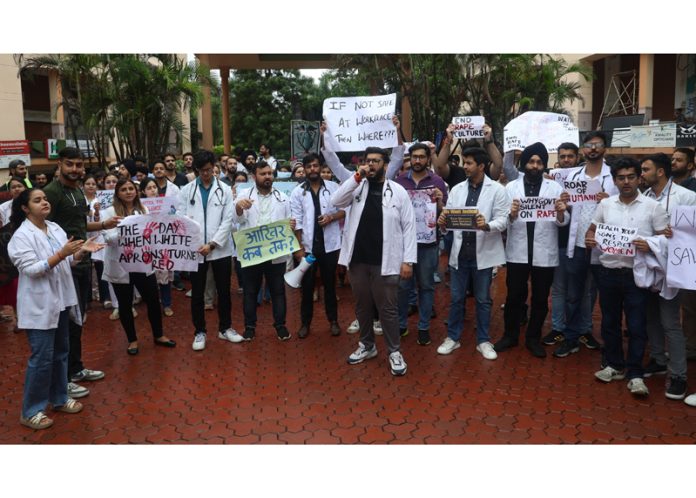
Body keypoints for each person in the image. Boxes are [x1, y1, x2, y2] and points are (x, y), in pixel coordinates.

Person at [8, 188, 103, 429]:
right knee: (41, 358)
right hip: (40, 305)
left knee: (62, 352)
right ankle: (31, 410)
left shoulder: (55, 228)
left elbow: (68, 260)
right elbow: (31, 269)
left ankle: (59, 398)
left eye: (45, 199)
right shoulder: (20, 237)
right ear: (25, 208)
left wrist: (81, 251)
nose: (44, 202)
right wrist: (62, 253)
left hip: (60, 301)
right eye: (37, 200)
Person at [586, 157, 669, 396]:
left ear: (639, 179)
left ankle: (635, 373)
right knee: (609, 323)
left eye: (631, 177)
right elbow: (593, 230)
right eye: (621, 178)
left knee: (636, 326)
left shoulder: (653, 207)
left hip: (637, 275)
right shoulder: (606, 205)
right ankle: (614, 365)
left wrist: (650, 244)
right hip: (608, 272)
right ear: (614, 180)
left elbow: (667, 238)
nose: (626, 182)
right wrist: (590, 239)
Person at [331, 147, 416, 376]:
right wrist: (356, 176)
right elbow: (336, 200)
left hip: (385, 260)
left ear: (386, 165)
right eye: (368, 161)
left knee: (387, 308)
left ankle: (394, 351)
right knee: (362, 307)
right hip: (358, 259)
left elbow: (409, 227)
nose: (371, 165)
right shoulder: (357, 186)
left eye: (376, 161)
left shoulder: (397, 191)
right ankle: (367, 346)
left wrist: (408, 261)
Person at [43, 147, 120, 398]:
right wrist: (61, 256)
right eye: (70, 164)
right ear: (59, 165)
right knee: (66, 324)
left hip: (83, 262)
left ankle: (75, 369)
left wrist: (103, 224)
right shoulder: (51, 193)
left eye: (78, 165)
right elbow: (43, 229)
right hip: (65, 266)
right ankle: (62, 380)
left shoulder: (76, 190)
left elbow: (79, 224)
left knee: (78, 320)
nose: (75, 169)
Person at [495, 142, 569, 358]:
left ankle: (533, 338)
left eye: (539, 162)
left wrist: (562, 213)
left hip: (543, 253)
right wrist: (511, 214)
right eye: (531, 161)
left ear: (544, 166)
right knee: (514, 296)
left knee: (540, 298)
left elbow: (562, 221)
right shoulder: (510, 188)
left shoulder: (554, 188)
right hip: (518, 252)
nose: (535, 166)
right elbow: (502, 220)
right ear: (524, 163)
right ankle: (510, 335)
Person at [436, 147, 509, 359]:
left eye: (468, 163)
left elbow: (504, 220)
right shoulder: (457, 189)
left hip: (483, 255)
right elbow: (449, 221)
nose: (464, 166)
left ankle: (484, 341)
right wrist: (442, 223)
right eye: (465, 162)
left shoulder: (496, 190)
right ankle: (453, 337)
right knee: (457, 299)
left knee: (483, 300)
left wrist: (487, 225)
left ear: (481, 165)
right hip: (460, 255)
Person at [550, 132, 618, 358]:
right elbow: (570, 217)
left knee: (604, 296)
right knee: (573, 294)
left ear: (605, 148)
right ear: (583, 149)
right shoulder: (575, 176)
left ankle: (600, 338)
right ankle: (571, 338)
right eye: (589, 145)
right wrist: (562, 209)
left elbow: (624, 210)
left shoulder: (614, 177)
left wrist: (609, 201)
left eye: (597, 145)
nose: (593, 149)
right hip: (577, 245)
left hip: (604, 246)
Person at [640, 153, 696, 399]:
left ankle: (678, 375)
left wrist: (677, 233)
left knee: (671, 322)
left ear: (660, 172)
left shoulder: (687, 197)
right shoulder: (645, 197)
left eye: (645, 169)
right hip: (649, 268)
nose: (641, 174)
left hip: (673, 271)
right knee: (651, 318)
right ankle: (658, 359)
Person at [101, 179, 176, 355]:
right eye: (124, 189)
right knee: (125, 304)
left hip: (142, 262)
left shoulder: (144, 210)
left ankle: (159, 335)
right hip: (121, 265)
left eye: (131, 189)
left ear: (136, 191)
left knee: (153, 300)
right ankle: (132, 340)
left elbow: (150, 234)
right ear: (117, 193)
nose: (128, 192)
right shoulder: (109, 212)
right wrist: (127, 228)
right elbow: (108, 238)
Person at [178, 149, 239, 351]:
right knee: (197, 294)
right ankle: (200, 332)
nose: (207, 174)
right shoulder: (186, 191)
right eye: (202, 170)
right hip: (195, 251)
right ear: (196, 170)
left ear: (215, 168)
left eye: (210, 170)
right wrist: (196, 243)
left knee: (224, 291)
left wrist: (212, 244)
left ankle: (225, 328)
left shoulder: (224, 189)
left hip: (219, 250)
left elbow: (228, 220)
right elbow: (181, 219)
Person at [234, 161, 296, 341]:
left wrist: (291, 224)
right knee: (250, 291)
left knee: (278, 291)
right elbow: (236, 220)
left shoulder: (282, 197)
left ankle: (280, 325)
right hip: (252, 252)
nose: (268, 176)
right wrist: (239, 207)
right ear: (254, 176)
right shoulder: (244, 195)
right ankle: (250, 326)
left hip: (275, 252)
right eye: (263, 174)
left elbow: (289, 221)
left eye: (270, 173)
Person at [394, 143, 447, 345]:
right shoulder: (398, 182)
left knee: (426, 286)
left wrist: (440, 203)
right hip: (403, 244)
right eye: (414, 157)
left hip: (428, 244)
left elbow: (444, 215)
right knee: (402, 287)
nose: (417, 161)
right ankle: (401, 325)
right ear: (410, 158)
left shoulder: (437, 182)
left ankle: (424, 327)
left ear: (427, 159)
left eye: (421, 157)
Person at [289, 153, 345, 339]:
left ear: (320, 167)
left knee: (330, 286)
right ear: (304, 169)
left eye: (315, 166)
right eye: (309, 166)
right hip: (308, 248)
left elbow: (344, 211)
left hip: (329, 247)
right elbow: (296, 221)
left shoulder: (333, 187)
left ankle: (334, 321)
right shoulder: (298, 192)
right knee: (307, 288)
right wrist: (299, 249)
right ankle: (305, 323)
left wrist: (331, 217)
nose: (312, 169)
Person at [140, 178, 175, 317]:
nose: (153, 190)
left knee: (164, 274)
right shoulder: (139, 207)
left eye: (154, 187)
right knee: (150, 277)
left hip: (163, 244)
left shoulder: (166, 203)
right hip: (146, 246)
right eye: (149, 188)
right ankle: (153, 304)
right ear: (143, 191)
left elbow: (173, 219)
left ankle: (166, 304)